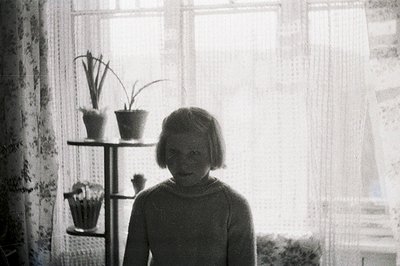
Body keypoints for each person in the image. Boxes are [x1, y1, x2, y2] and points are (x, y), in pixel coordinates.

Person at [123, 107, 256, 266]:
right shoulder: (146, 202)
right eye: (174, 152)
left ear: (213, 153)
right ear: (163, 151)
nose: (182, 163)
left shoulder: (235, 206)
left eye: (194, 153)